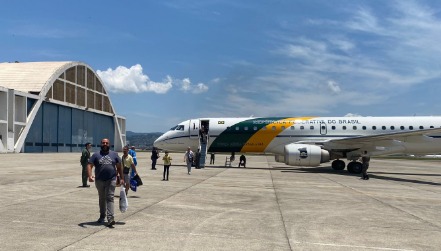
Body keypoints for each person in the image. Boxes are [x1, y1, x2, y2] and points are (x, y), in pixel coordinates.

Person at [88, 138, 124, 227]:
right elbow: (89, 165)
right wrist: (89, 176)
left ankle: (110, 218)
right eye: (103, 143)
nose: (105, 144)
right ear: (101, 144)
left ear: (109, 144)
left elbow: (119, 167)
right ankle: (102, 215)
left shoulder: (114, 154)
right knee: (102, 198)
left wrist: (122, 178)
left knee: (110, 197)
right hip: (99, 180)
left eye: (106, 143)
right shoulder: (96, 155)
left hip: (111, 179)